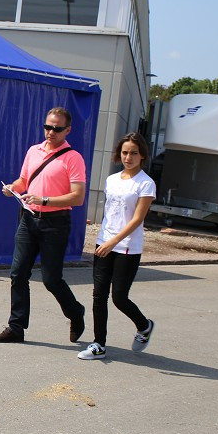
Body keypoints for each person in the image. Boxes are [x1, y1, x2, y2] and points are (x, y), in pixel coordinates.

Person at [0, 107, 87, 344]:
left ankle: (76, 313)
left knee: (51, 280)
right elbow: (24, 181)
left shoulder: (73, 158)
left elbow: (78, 197)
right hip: (28, 218)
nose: (50, 132)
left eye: (56, 128)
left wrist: (45, 200)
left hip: (56, 222)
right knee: (18, 272)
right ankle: (16, 327)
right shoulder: (33, 151)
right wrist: (13, 188)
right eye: (47, 127)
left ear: (67, 130)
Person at [79, 132, 156, 360]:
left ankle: (144, 325)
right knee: (98, 295)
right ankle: (98, 344)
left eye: (133, 153)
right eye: (124, 152)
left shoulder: (145, 183)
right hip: (104, 242)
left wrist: (114, 241)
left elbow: (136, 219)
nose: (128, 157)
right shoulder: (112, 180)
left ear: (142, 155)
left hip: (127, 248)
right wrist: (104, 238)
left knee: (119, 297)